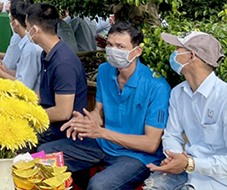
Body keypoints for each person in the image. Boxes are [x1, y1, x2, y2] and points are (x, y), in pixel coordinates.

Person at [39, 22, 171, 190]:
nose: (113, 50)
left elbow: (150, 144)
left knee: (99, 186)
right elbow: (98, 113)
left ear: (137, 51)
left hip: (137, 155)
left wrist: (101, 132)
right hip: (103, 144)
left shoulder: (157, 86)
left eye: (120, 46)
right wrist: (87, 122)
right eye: (109, 45)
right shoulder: (105, 70)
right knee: (45, 156)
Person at [145, 30, 226, 190]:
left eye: (177, 49)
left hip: (219, 178)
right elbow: (171, 135)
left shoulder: (224, 98)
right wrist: (175, 158)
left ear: (192, 56)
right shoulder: (178, 93)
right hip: (185, 168)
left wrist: (190, 163)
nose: (173, 54)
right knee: (152, 186)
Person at [26, 2, 88, 143]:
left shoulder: (63, 63)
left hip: (63, 133)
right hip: (49, 126)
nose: (26, 32)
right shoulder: (47, 53)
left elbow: (62, 112)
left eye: (27, 27)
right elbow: (44, 94)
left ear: (34, 30)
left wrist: (28, 115)